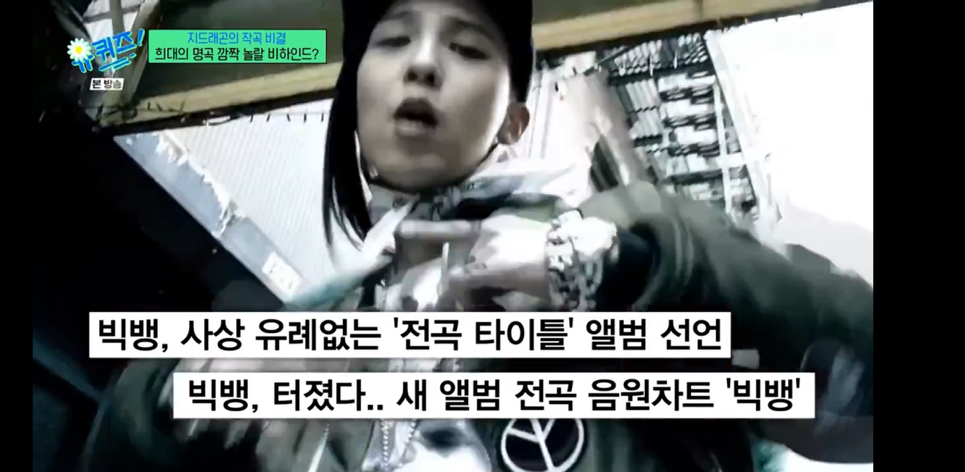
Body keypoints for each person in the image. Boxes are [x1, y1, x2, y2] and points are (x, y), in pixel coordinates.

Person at [91, 1, 873, 471]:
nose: (423, 65)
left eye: (466, 46)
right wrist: (171, 400)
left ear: (513, 120)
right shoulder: (314, 335)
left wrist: (624, 269)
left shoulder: (635, 245)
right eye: (392, 41)